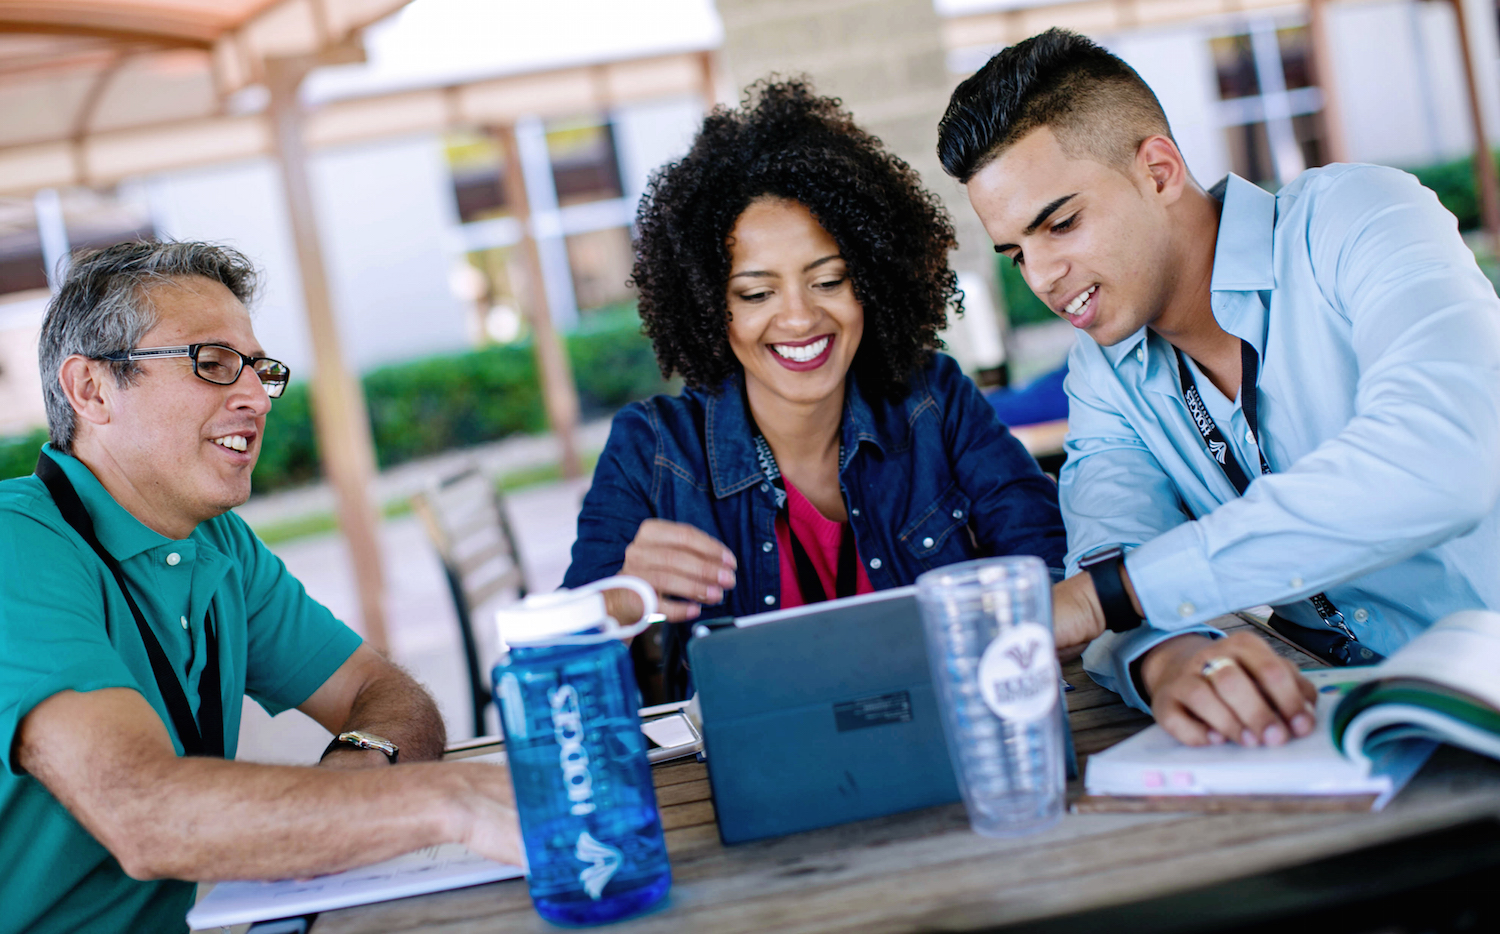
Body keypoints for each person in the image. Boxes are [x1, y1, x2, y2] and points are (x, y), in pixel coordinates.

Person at [936, 29, 1500, 748]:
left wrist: (1120, 595)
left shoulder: (1360, 218)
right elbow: (1105, 559)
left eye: (1062, 224)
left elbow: (1442, 463)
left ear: (1161, 171)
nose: (1042, 277)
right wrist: (1171, 659)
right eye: (1017, 252)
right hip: (1339, 732)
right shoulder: (1104, 370)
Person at [0, 241, 522, 934]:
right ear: (92, 390)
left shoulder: (216, 542)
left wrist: (353, 785)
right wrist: (440, 799)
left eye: (259, 370)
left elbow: (388, 693)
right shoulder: (17, 546)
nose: (256, 397)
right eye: (211, 364)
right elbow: (146, 814)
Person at [562, 79, 1068, 699]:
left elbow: (1052, 568)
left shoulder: (933, 402)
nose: (800, 319)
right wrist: (615, 604)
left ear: (873, 281)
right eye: (756, 293)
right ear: (708, 308)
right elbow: (562, 669)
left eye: (829, 281)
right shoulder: (653, 451)